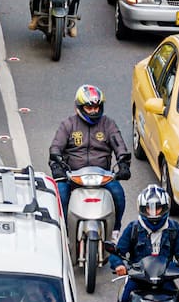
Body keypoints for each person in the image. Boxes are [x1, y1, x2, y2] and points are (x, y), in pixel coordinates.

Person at [48, 84, 130, 229]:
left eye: (96, 107)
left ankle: (115, 230)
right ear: (79, 107)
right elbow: (56, 147)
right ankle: (64, 231)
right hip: (72, 176)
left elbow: (119, 145)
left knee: (118, 193)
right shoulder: (68, 125)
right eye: (89, 108)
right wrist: (56, 166)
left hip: (102, 176)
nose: (94, 111)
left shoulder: (108, 124)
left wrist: (123, 163)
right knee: (60, 194)